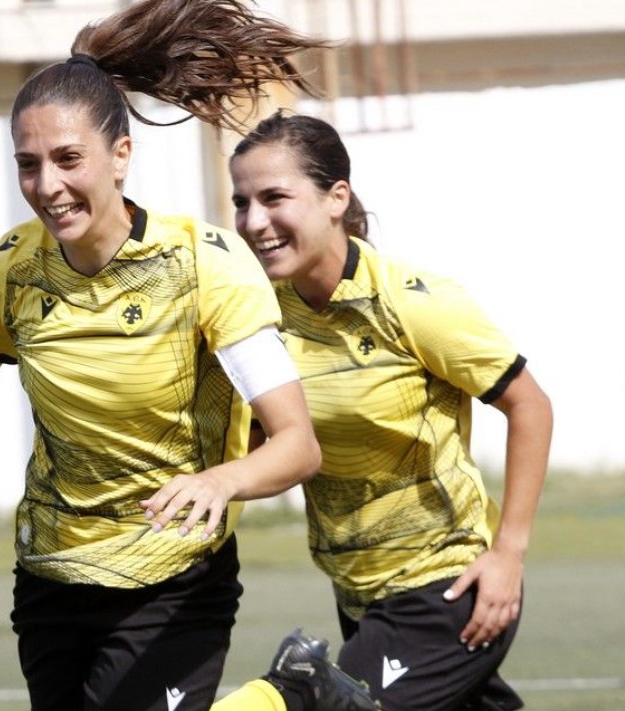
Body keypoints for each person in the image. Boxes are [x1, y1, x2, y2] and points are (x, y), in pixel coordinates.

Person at [0, 2, 388, 710]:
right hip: (51, 577)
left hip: (174, 579)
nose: (47, 186)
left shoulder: (205, 266)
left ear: (121, 155)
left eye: (68, 159)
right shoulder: (14, 271)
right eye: (28, 164)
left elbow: (297, 445)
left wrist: (220, 482)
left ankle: (290, 695)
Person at [227, 111, 554, 711]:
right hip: (358, 593)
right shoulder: (261, 315)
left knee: (325, 703)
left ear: (336, 197)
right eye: (241, 203)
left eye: (274, 198)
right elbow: (261, 441)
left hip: (446, 587)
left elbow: (529, 404)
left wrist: (509, 553)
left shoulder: (411, 303)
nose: (254, 222)